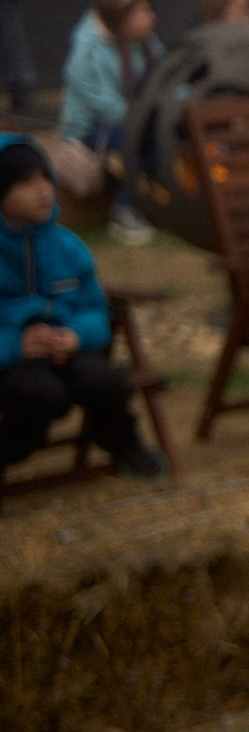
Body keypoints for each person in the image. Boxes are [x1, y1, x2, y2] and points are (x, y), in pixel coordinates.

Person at [0, 138, 166, 491]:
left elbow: (94, 309)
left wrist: (75, 335)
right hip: (10, 360)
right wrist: (17, 346)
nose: (43, 190)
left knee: (106, 381)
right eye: (25, 182)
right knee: (40, 396)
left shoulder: (66, 246)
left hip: (64, 348)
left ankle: (126, 447)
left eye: (45, 178)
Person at [61, 0, 164, 244]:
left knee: (168, 133)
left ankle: (163, 203)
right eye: (143, 12)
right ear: (122, 19)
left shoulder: (147, 43)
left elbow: (167, 79)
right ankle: (124, 209)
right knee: (141, 140)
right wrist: (148, 118)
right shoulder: (87, 50)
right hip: (91, 131)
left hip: (135, 121)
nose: (152, 17)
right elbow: (104, 107)